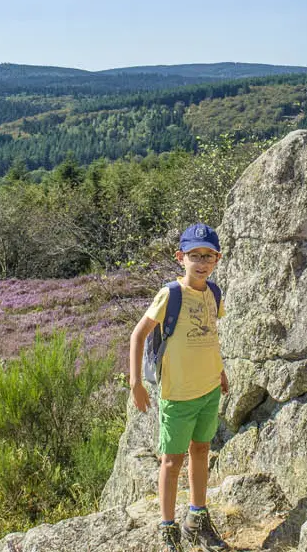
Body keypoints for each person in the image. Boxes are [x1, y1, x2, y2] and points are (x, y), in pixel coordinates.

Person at [128, 223, 230, 552]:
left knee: (201, 451)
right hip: (177, 393)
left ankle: (196, 519)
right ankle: (168, 529)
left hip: (208, 389)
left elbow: (210, 336)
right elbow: (138, 335)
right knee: (171, 462)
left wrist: (221, 371)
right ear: (180, 257)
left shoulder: (213, 293)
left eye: (208, 256)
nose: (201, 262)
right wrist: (136, 383)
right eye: (194, 255)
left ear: (217, 258)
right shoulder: (170, 294)